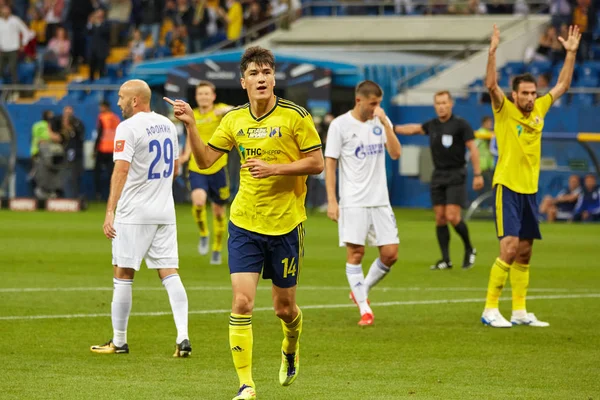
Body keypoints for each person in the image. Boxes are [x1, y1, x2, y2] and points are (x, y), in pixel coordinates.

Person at [165, 46, 324, 400]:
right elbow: (206, 161)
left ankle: (290, 346)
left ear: (274, 78)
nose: (262, 78)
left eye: (266, 71)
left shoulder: (296, 116)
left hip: (285, 224)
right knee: (242, 303)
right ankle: (246, 384)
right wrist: (191, 125)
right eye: (254, 73)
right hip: (245, 223)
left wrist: (276, 168)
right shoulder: (234, 119)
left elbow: (317, 163)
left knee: (284, 308)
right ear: (244, 82)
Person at [481, 24, 580, 328]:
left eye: (532, 92)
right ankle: (490, 309)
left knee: (525, 252)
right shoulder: (503, 109)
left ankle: (520, 311)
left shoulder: (539, 108)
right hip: (507, 187)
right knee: (509, 248)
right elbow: (490, 86)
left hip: (529, 189)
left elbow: (562, 86)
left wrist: (571, 54)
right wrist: (493, 50)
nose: (529, 97)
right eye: (524, 93)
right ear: (514, 94)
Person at [91, 79, 191, 357]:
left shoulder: (128, 127)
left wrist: (110, 210)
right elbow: (173, 170)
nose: (119, 102)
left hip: (134, 211)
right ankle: (183, 337)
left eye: (122, 97)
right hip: (164, 210)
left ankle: (119, 341)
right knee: (169, 272)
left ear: (135, 100)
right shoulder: (168, 125)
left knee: (123, 273)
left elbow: (121, 170)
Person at [324, 80, 402, 326]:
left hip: (380, 201)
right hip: (353, 202)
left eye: (379, 103)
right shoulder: (340, 125)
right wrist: (331, 201)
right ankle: (365, 309)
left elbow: (396, 153)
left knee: (390, 254)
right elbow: (330, 163)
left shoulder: (381, 121)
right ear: (359, 101)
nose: (376, 108)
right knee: (355, 253)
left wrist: (385, 123)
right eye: (373, 104)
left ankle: (361, 290)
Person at [394, 91, 483, 270]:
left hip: (456, 174)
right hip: (438, 175)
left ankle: (469, 248)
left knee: (452, 216)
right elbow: (414, 129)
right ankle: (446, 260)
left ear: (451, 104)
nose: (441, 106)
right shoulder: (432, 125)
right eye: (438, 103)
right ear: (435, 105)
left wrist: (478, 174)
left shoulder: (461, 125)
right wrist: (391, 127)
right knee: (440, 218)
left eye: (444, 102)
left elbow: (473, 149)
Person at [178, 81, 232, 264]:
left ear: (213, 96)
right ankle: (203, 233)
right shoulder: (192, 114)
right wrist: (185, 155)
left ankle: (217, 248)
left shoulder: (220, 110)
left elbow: (240, 109)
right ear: (196, 96)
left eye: (207, 94)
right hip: (197, 167)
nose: (203, 97)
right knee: (199, 201)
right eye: (200, 94)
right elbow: (191, 138)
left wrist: (225, 111)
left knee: (218, 212)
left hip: (218, 167)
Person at [94, 100, 121, 200]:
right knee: (112, 174)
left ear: (105, 107)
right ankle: (114, 194)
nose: (100, 109)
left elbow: (100, 134)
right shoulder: (116, 118)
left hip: (103, 148)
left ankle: (98, 194)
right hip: (113, 149)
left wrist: (95, 149)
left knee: (98, 173)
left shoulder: (102, 117)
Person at [473, 116, 495, 194]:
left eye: (491, 123)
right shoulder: (480, 133)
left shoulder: (490, 133)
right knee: (483, 187)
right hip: (482, 165)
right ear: (483, 123)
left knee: (490, 187)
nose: (490, 125)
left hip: (489, 165)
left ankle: (488, 205)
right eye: (488, 123)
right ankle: (483, 206)